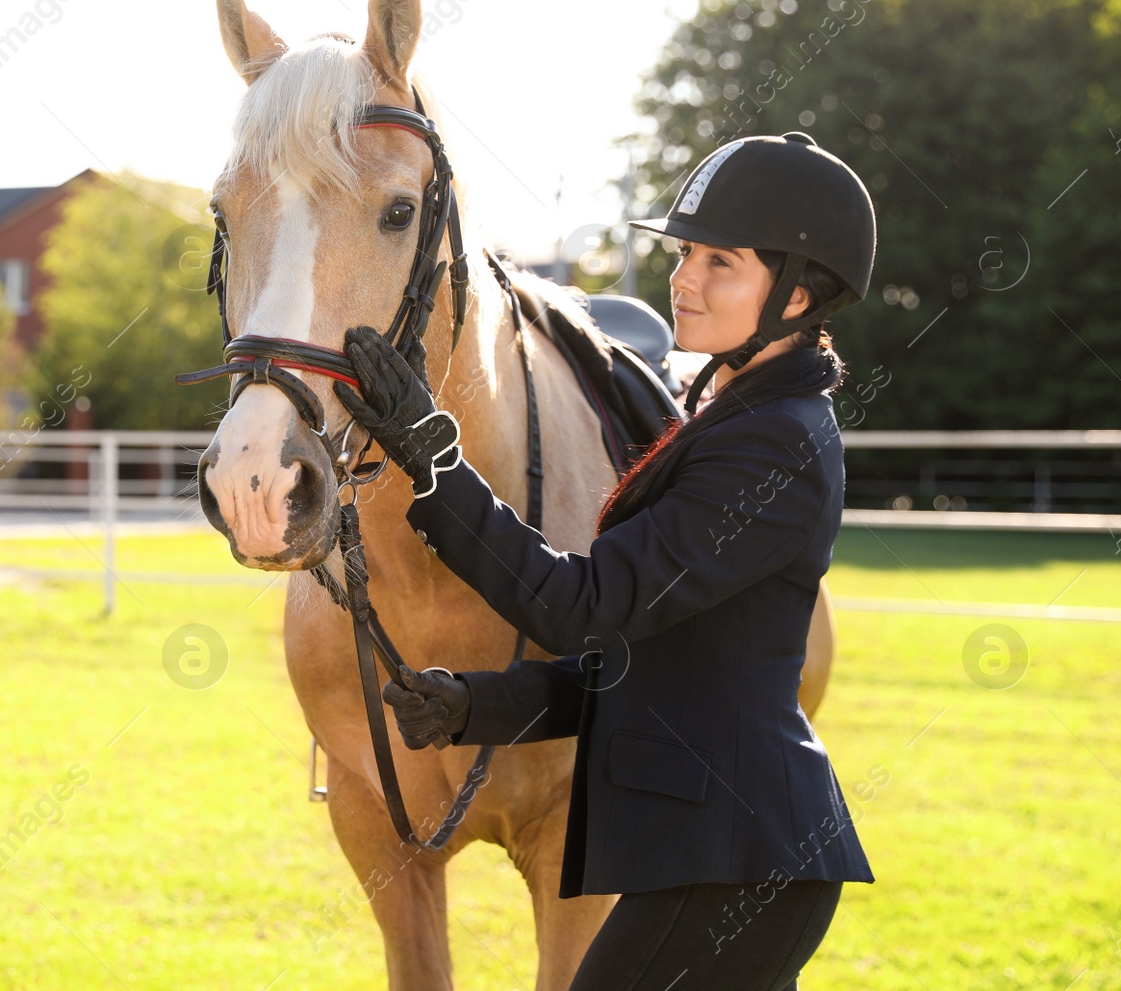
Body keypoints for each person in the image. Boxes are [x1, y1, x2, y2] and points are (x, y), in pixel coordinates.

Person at [332, 131, 877, 991]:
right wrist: (480, 703)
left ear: (801, 293)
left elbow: (576, 605)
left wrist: (435, 460)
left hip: (736, 862)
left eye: (720, 262)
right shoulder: (734, 420)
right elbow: (644, 668)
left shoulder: (773, 447)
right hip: (717, 858)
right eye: (687, 252)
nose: (683, 278)